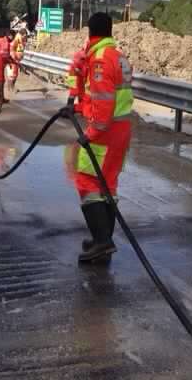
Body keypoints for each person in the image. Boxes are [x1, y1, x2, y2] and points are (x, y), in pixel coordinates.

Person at [67, 13, 133, 263]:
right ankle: (102, 239)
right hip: (121, 129)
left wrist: (90, 134)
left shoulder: (100, 61)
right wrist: (79, 107)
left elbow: (104, 105)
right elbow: (107, 98)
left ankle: (103, 241)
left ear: (90, 32)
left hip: (104, 133)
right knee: (108, 184)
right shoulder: (118, 56)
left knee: (86, 182)